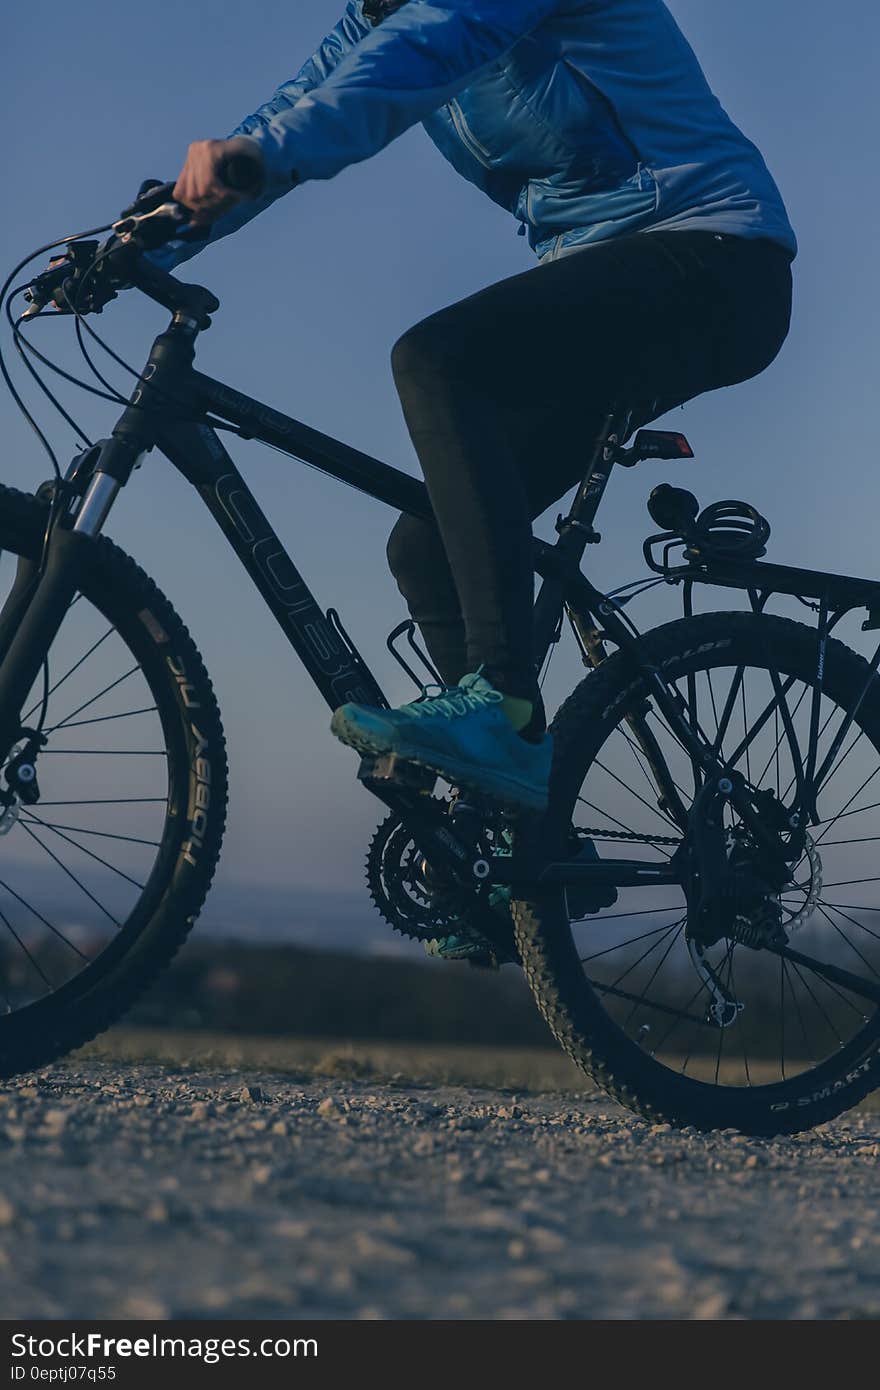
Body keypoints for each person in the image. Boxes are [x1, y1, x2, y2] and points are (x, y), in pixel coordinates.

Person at [160, 0, 795, 821]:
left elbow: (425, 52)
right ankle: (518, 835)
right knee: (425, 548)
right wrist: (143, 235)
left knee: (436, 361)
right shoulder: (375, 22)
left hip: (714, 255)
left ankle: (502, 704)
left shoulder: (445, 18)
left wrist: (260, 155)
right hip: (609, 280)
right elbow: (294, 110)